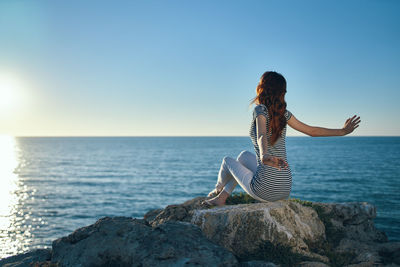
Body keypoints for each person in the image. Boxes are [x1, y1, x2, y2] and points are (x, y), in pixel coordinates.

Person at [201, 71, 361, 207]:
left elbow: (262, 134)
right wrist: (342, 131)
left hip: (264, 190)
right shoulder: (284, 114)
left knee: (227, 161)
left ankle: (217, 190)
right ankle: (222, 197)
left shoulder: (260, 109)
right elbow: (311, 131)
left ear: (262, 88)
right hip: (284, 187)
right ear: (281, 92)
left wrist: (264, 156)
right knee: (243, 156)